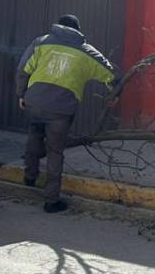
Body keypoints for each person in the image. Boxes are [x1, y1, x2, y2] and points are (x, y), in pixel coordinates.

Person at [15, 14, 116, 213]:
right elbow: (111, 74)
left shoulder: (41, 42)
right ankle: (51, 201)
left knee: (34, 136)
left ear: (58, 26)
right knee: (55, 152)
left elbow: (23, 69)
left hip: (35, 102)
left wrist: (21, 94)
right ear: (78, 30)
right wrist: (115, 94)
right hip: (61, 110)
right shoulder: (86, 51)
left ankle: (30, 176)